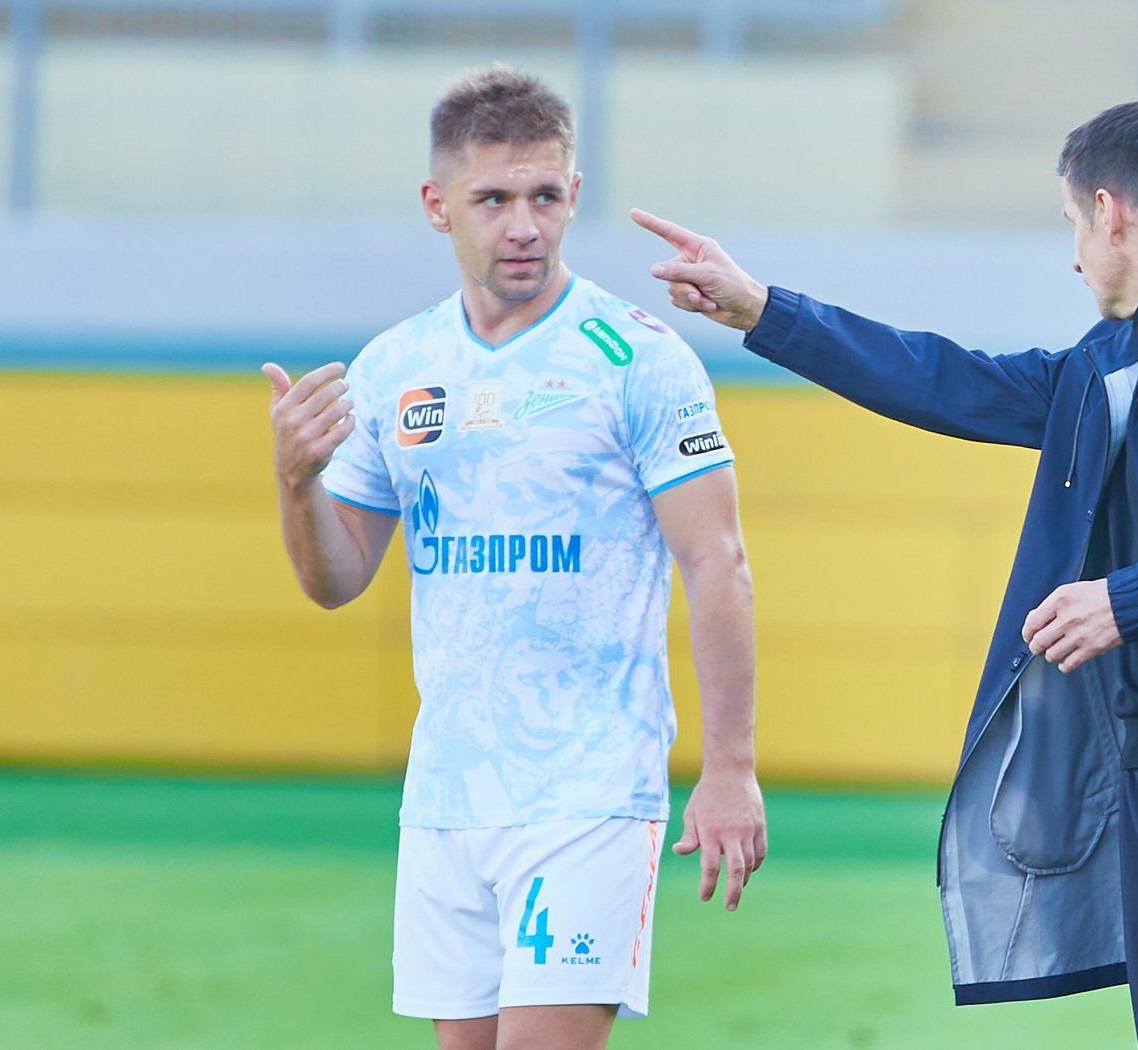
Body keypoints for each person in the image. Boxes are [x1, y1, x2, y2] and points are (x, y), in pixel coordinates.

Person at [633, 98, 1138, 1049]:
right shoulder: (1112, 360)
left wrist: (1129, 599)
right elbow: (948, 381)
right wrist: (765, 312)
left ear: (1108, 211)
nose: (1073, 258)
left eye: (1070, 226)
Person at [261, 65, 765, 1050]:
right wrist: (295, 482)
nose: (524, 225)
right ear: (437, 205)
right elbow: (336, 579)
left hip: (590, 788)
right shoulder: (395, 367)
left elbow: (719, 564)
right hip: (446, 795)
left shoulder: (639, 359)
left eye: (544, 197)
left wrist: (731, 768)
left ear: (573, 194)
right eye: (493, 199)